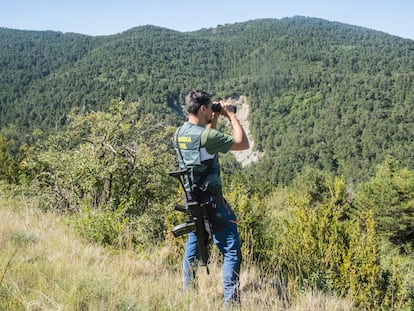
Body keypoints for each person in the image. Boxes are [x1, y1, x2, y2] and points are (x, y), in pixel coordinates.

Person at [173, 90, 249, 304]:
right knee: (231, 249)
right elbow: (242, 143)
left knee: (194, 243)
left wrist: (214, 119)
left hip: (193, 202)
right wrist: (231, 114)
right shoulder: (206, 136)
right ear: (203, 108)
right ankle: (231, 303)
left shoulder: (179, 133)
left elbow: (203, 148)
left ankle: (189, 293)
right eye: (210, 108)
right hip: (214, 204)